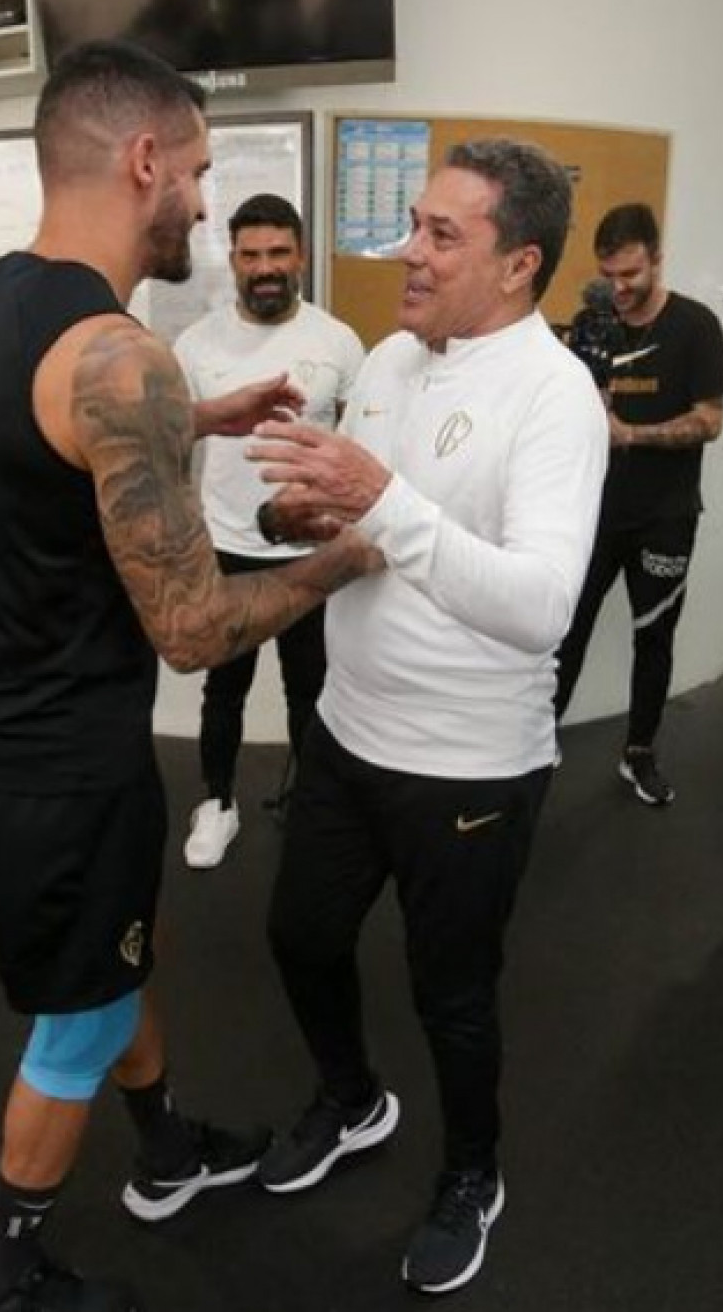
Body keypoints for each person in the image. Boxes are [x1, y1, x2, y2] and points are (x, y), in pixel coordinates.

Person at [0, 40, 379, 1312]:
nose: (198, 199)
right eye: (194, 170)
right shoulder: (123, 358)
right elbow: (188, 626)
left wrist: (198, 421)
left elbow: (40, 458)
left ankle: (167, 1152)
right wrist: (352, 551)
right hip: (54, 764)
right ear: (142, 162)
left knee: (123, 960)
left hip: (4, 731)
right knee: (73, 1020)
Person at [247, 139, 607, 1296]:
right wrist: (318, 519)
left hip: (470, 767)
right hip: (349, 732)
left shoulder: (557, 398)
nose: (408, 249)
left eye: (442, 234)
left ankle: (472, 1174)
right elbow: (376, 529)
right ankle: (352, 1101)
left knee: (449, 995)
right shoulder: (396, 359)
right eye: (414, 221)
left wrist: (381, 502)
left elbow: (542, 608)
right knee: (298, 937)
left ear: (518, 265)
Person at [172, 191, 365, 868]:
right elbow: (174, 448)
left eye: (277, 252)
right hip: (225, 546)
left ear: (300, 256)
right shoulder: (193, 345)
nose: (264, 267)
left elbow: (361, 445)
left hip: (309, 550)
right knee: (223, 688)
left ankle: (308, 807)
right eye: (250, 254)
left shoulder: (338, 340)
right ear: (232, 259)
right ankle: (216, 803)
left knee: (310, 688)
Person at [552, 203, 723, 806]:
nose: (619, 287)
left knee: (653, 636)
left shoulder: (696, 326)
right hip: (592, 515)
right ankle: (536, 742)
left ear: (657, 259)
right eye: (609, 274)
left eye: (631, 274)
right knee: (565, 631)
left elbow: (710, 422)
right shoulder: (590, 324)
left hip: (666, 515)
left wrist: (631, 435)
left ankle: (639, 753)